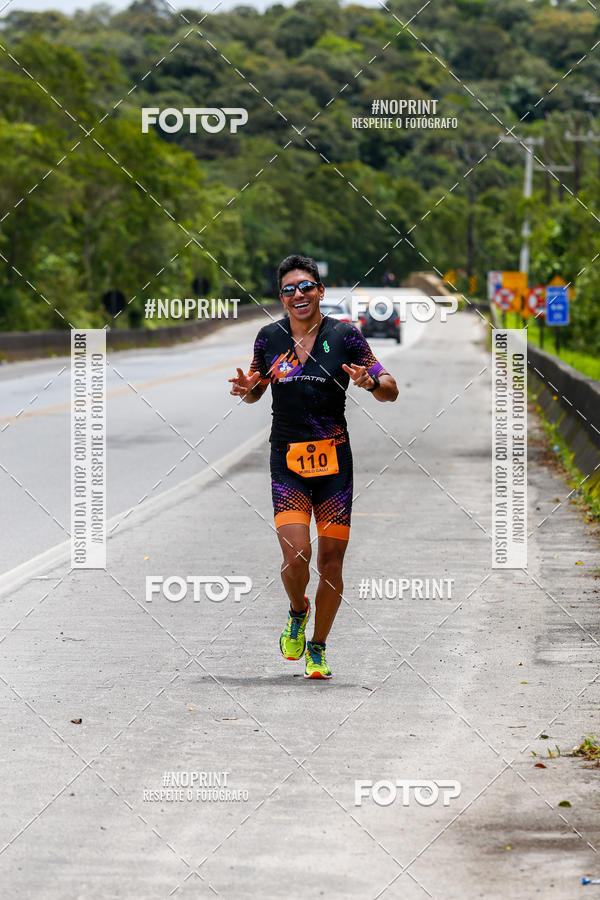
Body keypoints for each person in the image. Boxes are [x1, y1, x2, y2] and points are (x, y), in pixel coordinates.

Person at [228, 255, 398, 679]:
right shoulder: (269, 338)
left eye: (306, 286)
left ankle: (318, 646)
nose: (298, 294)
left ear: (320, 291)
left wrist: (370, 382)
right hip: (287, 461)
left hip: (334, 463)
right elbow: (255, 389)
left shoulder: (346, 336)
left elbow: (391, 389)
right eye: (289, 289)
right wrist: (248, 390)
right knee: (296, 555)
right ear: (281, 297)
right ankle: (297, 610)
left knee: (332, 562)